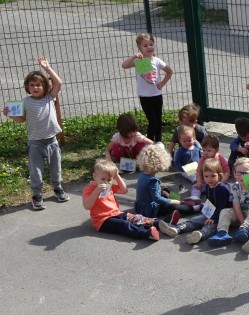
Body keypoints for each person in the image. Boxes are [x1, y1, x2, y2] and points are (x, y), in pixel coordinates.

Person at [2, 56, 69, 210]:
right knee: (36, 171)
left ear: (45, 86)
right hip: (35, 144)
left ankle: (58, 188)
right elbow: (21, 119)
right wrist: (9, 114)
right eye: (32, 85)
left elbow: (58, 83)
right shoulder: (25, 101)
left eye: (38, 84)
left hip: (52, 141)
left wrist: (47, 67)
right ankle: (37, 195)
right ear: (27, 87)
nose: (35, 87)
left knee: (56, 168)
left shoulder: (49, 97)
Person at [159, 159, 233, 245]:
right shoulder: (208, 186)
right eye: (206, 176)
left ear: (220, 175)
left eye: (213, 176)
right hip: (212, 212)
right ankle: (177, 228)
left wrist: (213, 218)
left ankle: (200, 235)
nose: (209, 179)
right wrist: (206, 212)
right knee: (196, 220)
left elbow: (222, 207)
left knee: (210, 226)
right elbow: (210, 202)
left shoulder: (222, 189)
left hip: (222, 215)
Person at [82, 159, 159, 241]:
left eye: (109, 179)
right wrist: (96, 192)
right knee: (124, 225)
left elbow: (124, 190)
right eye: (103, 179)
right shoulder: (89, 189)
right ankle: (145, 233)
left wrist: (116, 176)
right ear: (94, 176)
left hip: (116, 213)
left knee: (135, 217)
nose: (106, 182)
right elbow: (87, 206)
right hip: (102, 220)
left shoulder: (109, 185)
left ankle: (155, 223)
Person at [207, 157, 249, 248]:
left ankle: (244, 229)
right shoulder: (235, 187)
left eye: (246, 173)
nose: (242, 176)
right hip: (239, 216)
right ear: (234, 173)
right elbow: (236, 207)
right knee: (225, 211)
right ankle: (222, 233)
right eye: (239, 173)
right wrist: (241, 223)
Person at [121, 33, 173, 143]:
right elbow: (124, 65)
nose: (149, 47)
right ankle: (149, 143)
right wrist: (134, 56)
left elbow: (169, 71)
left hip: (157, 95)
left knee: (158, 121)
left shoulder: (157, 61)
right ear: (139, 48)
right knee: (153, 121)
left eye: (151, 44)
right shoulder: (138, 61)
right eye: (145, 45)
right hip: (144, 96)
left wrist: (162, 84)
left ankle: (158, 142)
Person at [134, 144, 196, 221]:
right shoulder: (153, 180)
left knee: (165, 190)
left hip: (140, 207)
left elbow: (149, 192)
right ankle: (192, 208)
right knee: (173, 207)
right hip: (150, 210)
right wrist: (171, 201)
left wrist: (163, 193)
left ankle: (180, 202)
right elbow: (157, 199)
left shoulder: (142, 175)